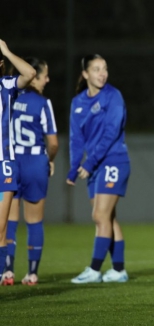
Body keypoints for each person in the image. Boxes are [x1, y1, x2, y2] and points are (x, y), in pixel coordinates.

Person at [67, 54, 130, 284]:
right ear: (85, 74)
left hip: (113, 160)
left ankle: (94, 269)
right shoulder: (78, 102)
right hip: (94, 165)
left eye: (104, 68)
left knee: (100, 215)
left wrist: (89, 162)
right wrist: (74, 168)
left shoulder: (113, 96)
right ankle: (119, 270)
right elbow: (76, 140)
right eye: (96, 69)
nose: (102, 73)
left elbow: (111, 132)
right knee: (108, 218)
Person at [2, 57, 57, 286]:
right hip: (34, 160)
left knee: (9, 220)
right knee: (34, 220)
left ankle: (7, 271)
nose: (47, 80)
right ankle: (32, 273)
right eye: (45, 75)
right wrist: (50, 160)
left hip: (11, 159)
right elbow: (53, 142)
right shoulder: (42, 103)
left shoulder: (10, 96)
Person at [0, 40, 36, 284]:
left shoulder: (4, 85)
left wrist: (6, 51)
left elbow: (30, 73)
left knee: (0, 228)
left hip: (4, 167)